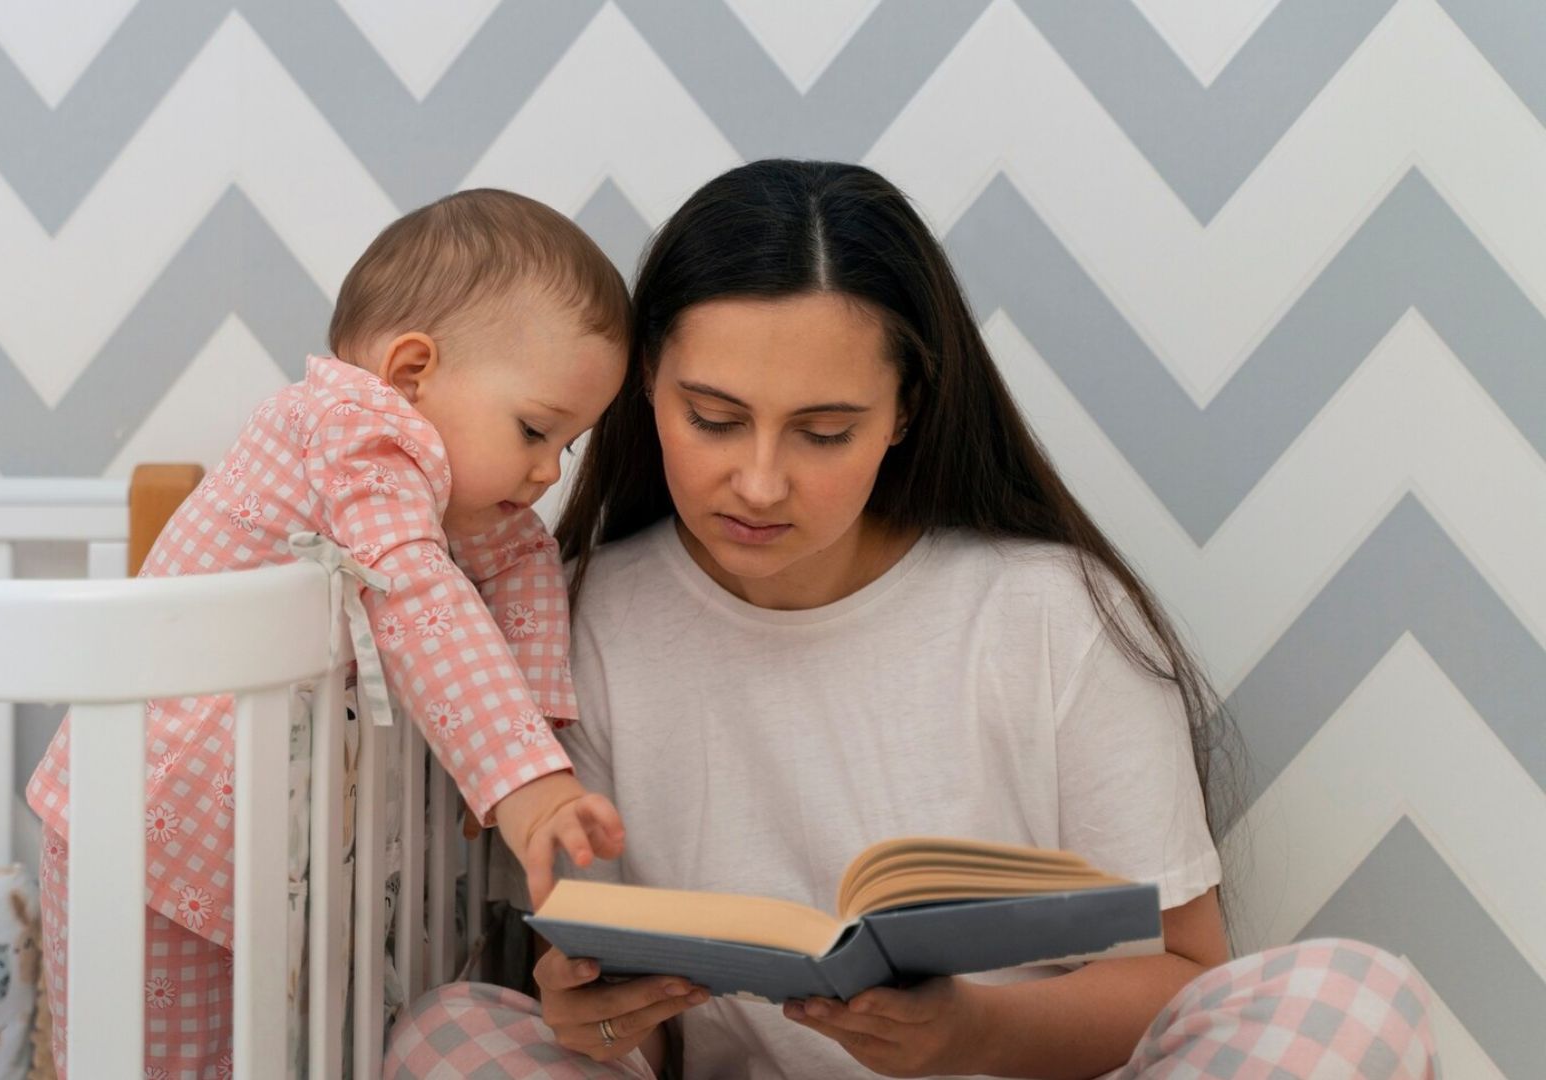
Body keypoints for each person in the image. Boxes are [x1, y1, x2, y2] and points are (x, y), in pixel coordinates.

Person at [384, 161, 1437, 1079]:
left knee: (1352, 1002)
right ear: (644, 385)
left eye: (824, 431)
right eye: (712, 419)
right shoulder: (586, 618)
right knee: (452, 1034)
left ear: (905, 414)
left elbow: (1185, 975)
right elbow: (637, 1017)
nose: (758, 482)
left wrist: (969, 1033)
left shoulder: (1053, 613)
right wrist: (601, 1021)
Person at [29, 188, 632, 1077]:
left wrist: (538, 725)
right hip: (142, 825)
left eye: (567, 446)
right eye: (536, 429)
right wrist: (524, 784)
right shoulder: (357, 431)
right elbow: (412, 591)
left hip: (242, 844)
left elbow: (523, 555)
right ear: (411, 373)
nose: (547, 470)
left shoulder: (440, 487)